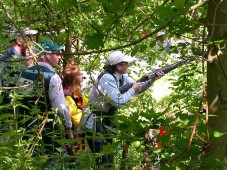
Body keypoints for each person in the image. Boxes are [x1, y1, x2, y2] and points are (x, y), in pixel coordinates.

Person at [88, 50, 165, 168]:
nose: (128, 66)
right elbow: (118, 101)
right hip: (95, 119)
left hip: (108, 118)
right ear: (118, 66)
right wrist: (132, 89)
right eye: (126, 63)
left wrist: (152, 79)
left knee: (109, 157)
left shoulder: (121, 77)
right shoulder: (107, 78)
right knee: (102, 158)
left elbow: (139, 87)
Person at [16, 39, 73, 155]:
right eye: (56, 54)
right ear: (47, 55)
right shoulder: (53, 77)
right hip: (46, 131)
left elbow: (19, 99)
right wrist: (69, 128)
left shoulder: (24, 73)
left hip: (24, 130)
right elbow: (61, 108)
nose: (59, 57)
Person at [61, 63, 89, 154]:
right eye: (79, 74)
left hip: (79, 129)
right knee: (74, 155)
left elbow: (85, 102)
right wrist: (87, 117)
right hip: (72, 131)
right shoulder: (66, 94)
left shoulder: (76, 90)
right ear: (73, 78)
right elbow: (73, 115)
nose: (82, 76)